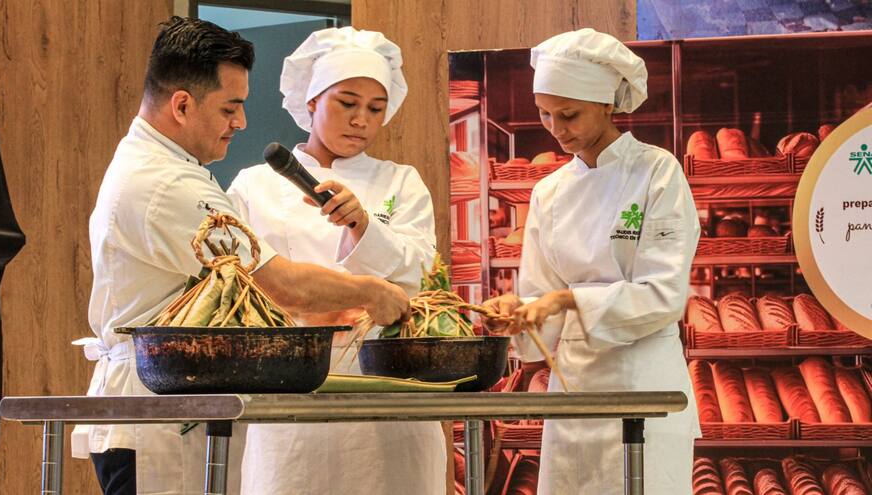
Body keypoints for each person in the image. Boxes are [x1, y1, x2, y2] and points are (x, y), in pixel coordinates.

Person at [73, 17, 410, 495]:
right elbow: (282, 285)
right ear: (183, 105)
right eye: (231, 108)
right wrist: (372, 290)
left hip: (189, 402)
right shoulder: (167, 183)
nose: (242, 123)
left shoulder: (169, 167)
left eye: (375, 107)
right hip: (160, 420)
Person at [226, 26, 446, 495]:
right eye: (347, 103)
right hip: (290, 400)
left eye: (375, 108)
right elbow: (233, 284)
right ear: (311, 101)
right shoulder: (253, 186)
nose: (361, 120)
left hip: (388, 397)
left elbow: (423, 275)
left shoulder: (402, 183)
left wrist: (364, 225)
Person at [482, 28, 701, 495]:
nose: (557, 129)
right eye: (544, 114)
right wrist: (518, 319)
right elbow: (541, 300)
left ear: (606, 104)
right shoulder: (549, 191)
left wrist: (565, 300)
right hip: (575, 395)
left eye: (569, 114)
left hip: (645, 388)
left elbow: (663, 295)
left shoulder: (657, 172)